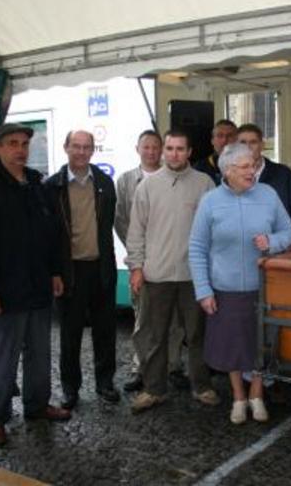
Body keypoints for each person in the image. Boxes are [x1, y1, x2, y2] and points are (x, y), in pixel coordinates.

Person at [0, 123, 71, 447]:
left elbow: (50, 236)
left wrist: (54, 272)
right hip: (4, 294)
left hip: (38, 288)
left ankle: (37, 406)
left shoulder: (37, 185)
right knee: (3, 359)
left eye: (24, 143)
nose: (20, 150)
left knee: (39, 355)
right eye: (13, 143)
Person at [189, 142, 291, 424]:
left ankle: (257, 394)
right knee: (232, 346)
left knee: (261, 345)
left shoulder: (268, 194)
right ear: (228, 170)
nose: (253, 171)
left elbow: (290, 231)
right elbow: (198, 247)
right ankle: (238, 396)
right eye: (246, 167)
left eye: (254, 165)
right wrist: (203, 290)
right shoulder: (211, 201)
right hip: (225, 289)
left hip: (264, 288)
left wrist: (272, 242)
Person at [126, 130, 220, 413]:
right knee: (156, 336)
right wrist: (137, 267)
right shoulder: (147, 186)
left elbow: (215, 229)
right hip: (157, 275)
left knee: (196, 335)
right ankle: (154, 389)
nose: (174, 154)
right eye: (170, 148)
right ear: (164, 151)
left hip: (195, 276)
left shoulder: (205, 184)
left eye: (180, 148)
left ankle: (201, 385)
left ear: (190, 152)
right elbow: (135, 231)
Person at [45, 129, 119, 409]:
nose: (81, 152)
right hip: (69, 272)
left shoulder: (104, 183)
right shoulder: (52, 187)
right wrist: (54, 272)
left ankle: (105, 383)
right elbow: (49, 237)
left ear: (92, 151)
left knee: (105, 331)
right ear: (66, 148)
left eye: (87, 147)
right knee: (70, 334)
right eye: (76, 146)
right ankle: (70, 388)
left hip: (100, 268)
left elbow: (109, 226)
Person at [114, 130, 188, 393]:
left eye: (157, 147)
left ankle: (174, 366)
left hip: (171, 263)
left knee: (175, 320)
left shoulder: (174, 180)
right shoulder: (126, 181)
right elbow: (122, 220)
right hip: (143, 264)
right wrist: (139, 258)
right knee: (143, 320)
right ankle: (141, 368)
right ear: (138, 149)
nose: (152, 152)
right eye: (146, 147)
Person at [237, 123, 291, 259]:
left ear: (262, 145)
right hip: (241, 253)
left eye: (253, 142)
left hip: (279, 252)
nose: (248, 147)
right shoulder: (230, 177)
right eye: (243, 143)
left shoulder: (283, 174)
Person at [193, 119, 237, 185]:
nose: (224, 140)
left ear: (237, 140)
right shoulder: (200, 169)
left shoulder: (246, 167)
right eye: (220, 136)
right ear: (212, 141)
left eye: (229, 136)